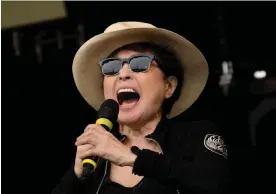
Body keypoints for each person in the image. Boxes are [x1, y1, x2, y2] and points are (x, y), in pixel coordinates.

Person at [51, 21, 233, 194]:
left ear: (169, 86)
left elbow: (216, 186)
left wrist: (132, 159)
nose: (122, 74)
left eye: (139, 63)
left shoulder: (195, 135)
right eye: (111, 66)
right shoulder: (95, 158)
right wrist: (74, 178)